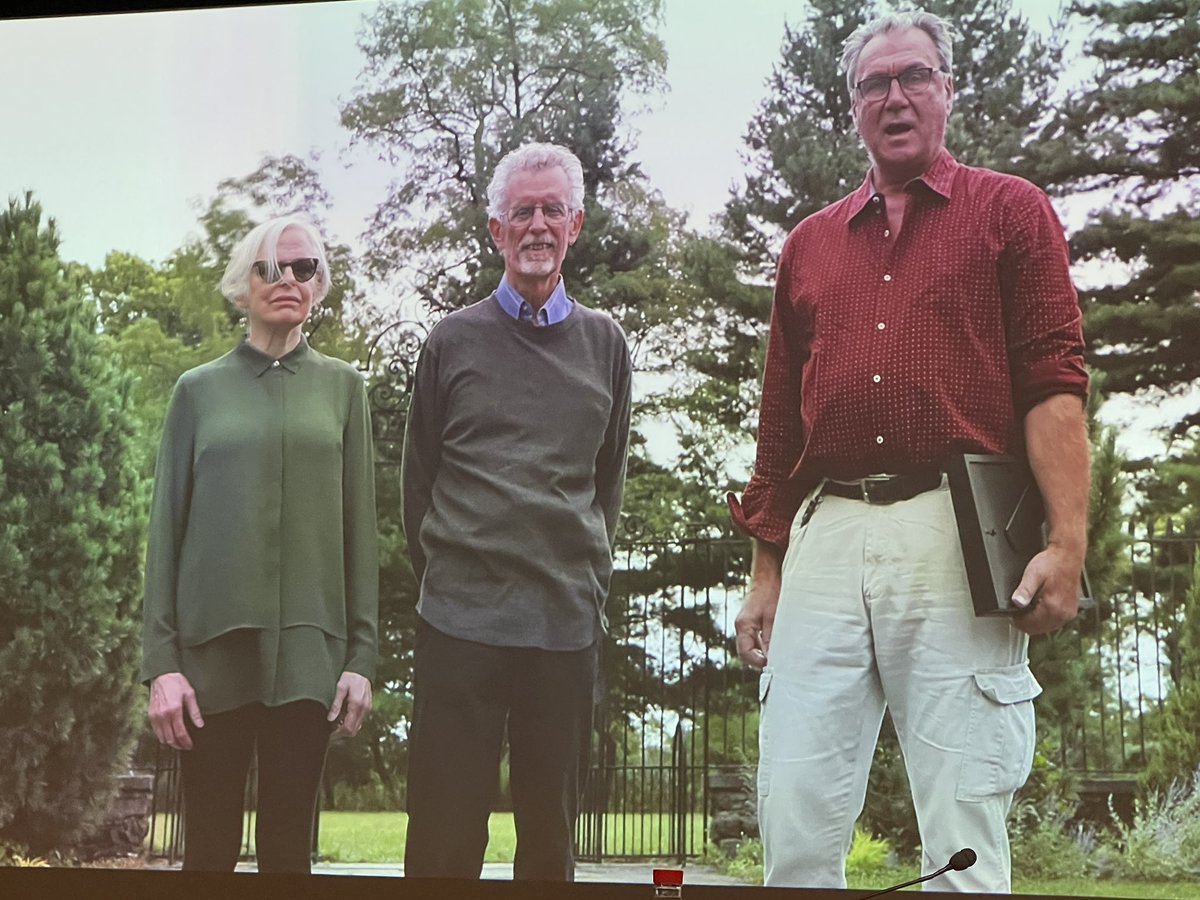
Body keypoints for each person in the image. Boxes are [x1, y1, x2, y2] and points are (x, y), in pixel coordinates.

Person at [729, 10, 1089, 893]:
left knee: (962, 826)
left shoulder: (1010, 211)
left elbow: (1054, 382)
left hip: (955, 528)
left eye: (914, 76)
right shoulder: (809, 245)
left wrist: (1067, 542)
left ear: (947, 90)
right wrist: (765, 572)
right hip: (826, 531)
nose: (895, 97)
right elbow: (779, 426)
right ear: (853, 106)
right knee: (794, 814)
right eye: (874, 83)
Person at [400, 142, 632, 881]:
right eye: (522, 212)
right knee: (442, 837)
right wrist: (453, 575)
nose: (538, 225)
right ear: (496, 229)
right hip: (460, 621)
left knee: (549, 844)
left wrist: (585, 584)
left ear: (576, 225)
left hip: (563, 625)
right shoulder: (452, 340)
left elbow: (606, 484)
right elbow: (418, 481)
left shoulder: (606, 345)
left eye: (552, 211)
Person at [141, 215, 378, 873]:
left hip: (309, 661)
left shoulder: (344, 389)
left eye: (304, 268)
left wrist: (361, 656)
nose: (288, 280)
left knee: (288, 858)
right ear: (241, 286)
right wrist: (162, 664)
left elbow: (360, 529)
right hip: (209, 661)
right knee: (207, 855)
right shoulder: (197, 392)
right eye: (270, 268)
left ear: (318, 285)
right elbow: (166, 531)